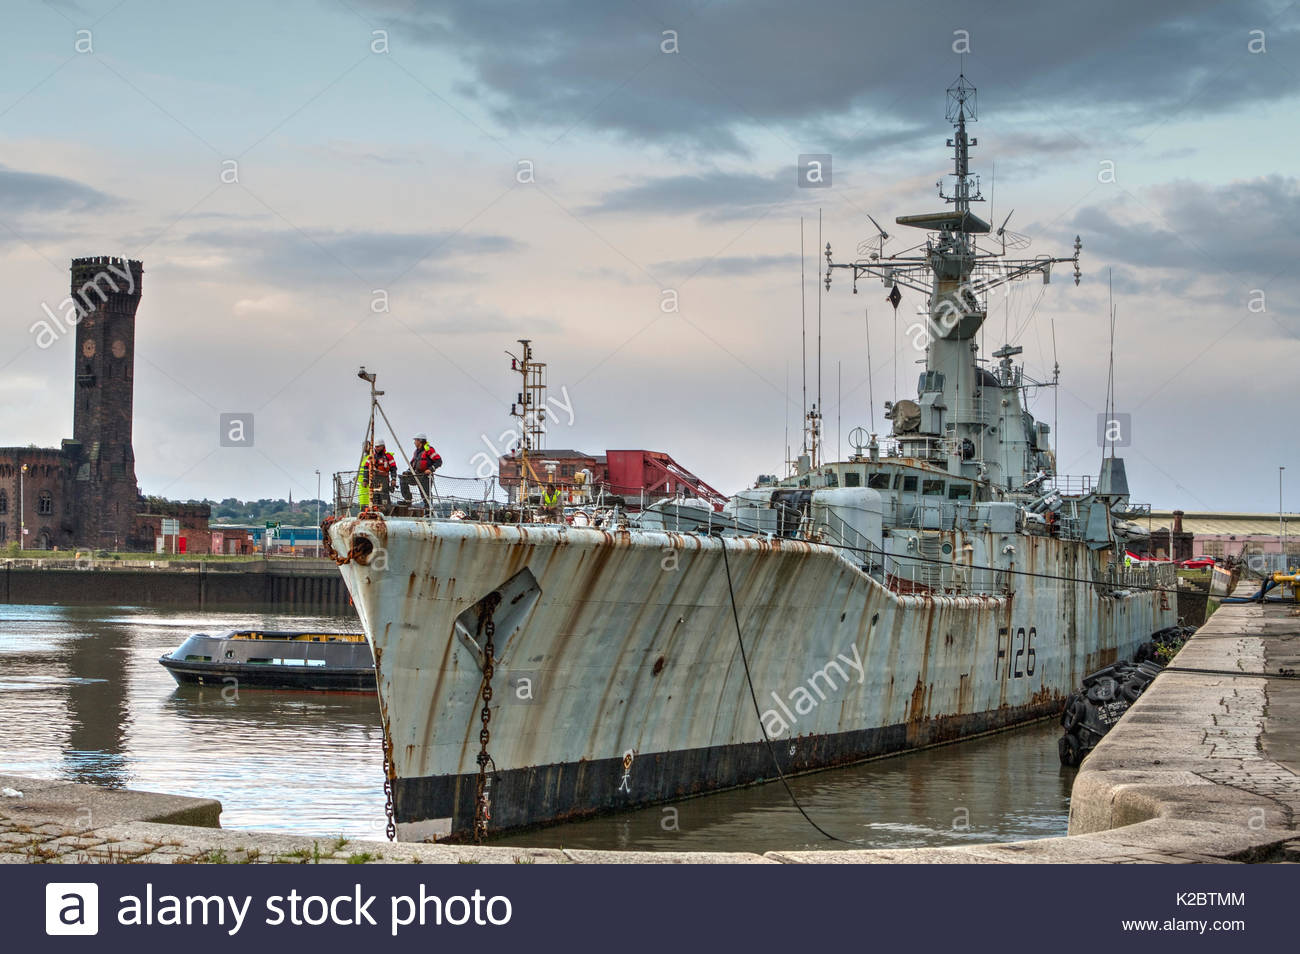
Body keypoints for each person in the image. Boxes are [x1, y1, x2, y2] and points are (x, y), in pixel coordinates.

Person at [400, 432, 443, 505]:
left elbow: (439, 461)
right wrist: (408, 471)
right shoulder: (416, 452)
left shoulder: (429, 449)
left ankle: (428, 510)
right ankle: (408, 500)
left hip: (426, 476)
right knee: (403, 479)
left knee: (425, 494)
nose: (414, 442)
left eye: (415, 440)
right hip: (417, 475)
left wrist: (430, 469)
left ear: (420, 441)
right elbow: (412, 464)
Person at [361, 439, 396, 509]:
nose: (376, 448)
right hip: (374, 479)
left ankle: (386, 510)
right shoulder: (371, 457)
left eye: (378, 447)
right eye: (376, 447)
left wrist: (393, 479)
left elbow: (393, 468)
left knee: (384, 496)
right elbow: (366, 468)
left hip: (384, 480)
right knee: (374, 497)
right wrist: (365, 480)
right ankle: (375, 510)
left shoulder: (388, 457)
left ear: (383, 446)